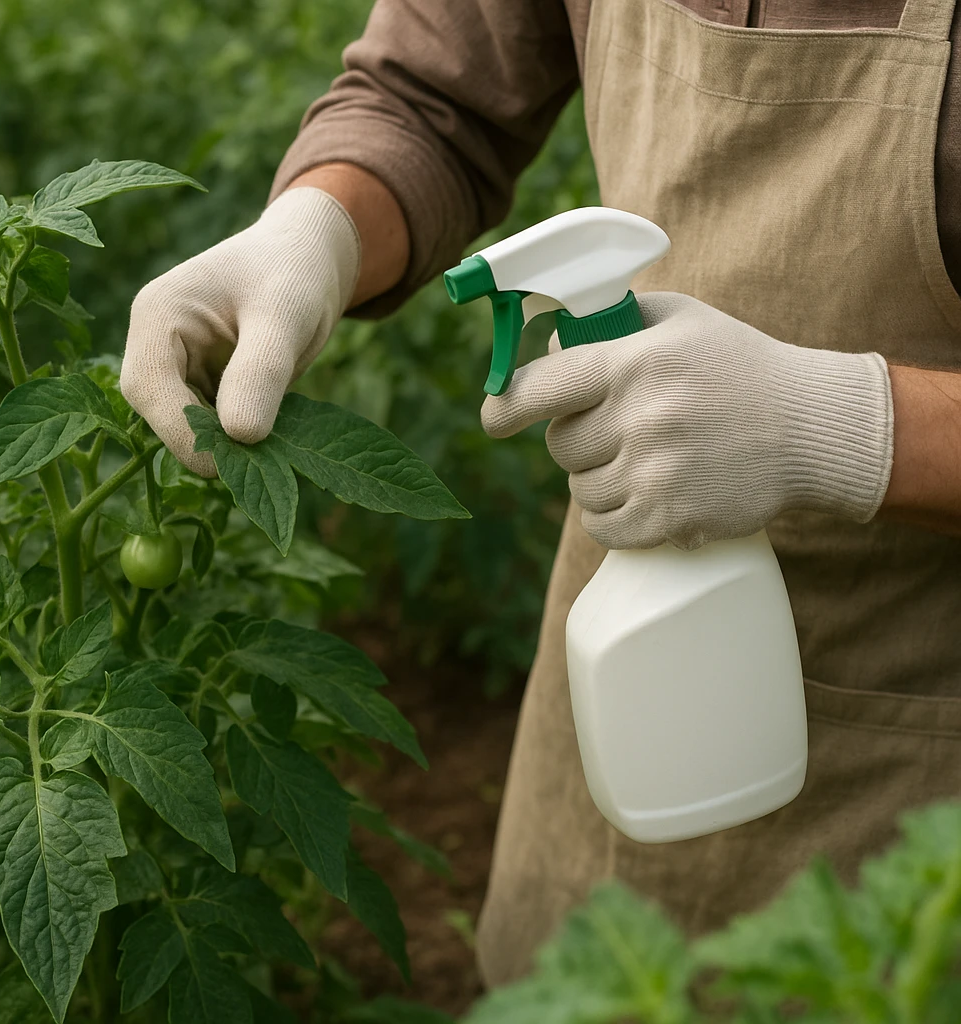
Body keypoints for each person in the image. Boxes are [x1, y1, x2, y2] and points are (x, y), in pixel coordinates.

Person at [120, 0, 961, 988]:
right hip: (633, 593)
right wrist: (323, 225)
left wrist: (847, 427)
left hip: (918, 752)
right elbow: (434, 96)